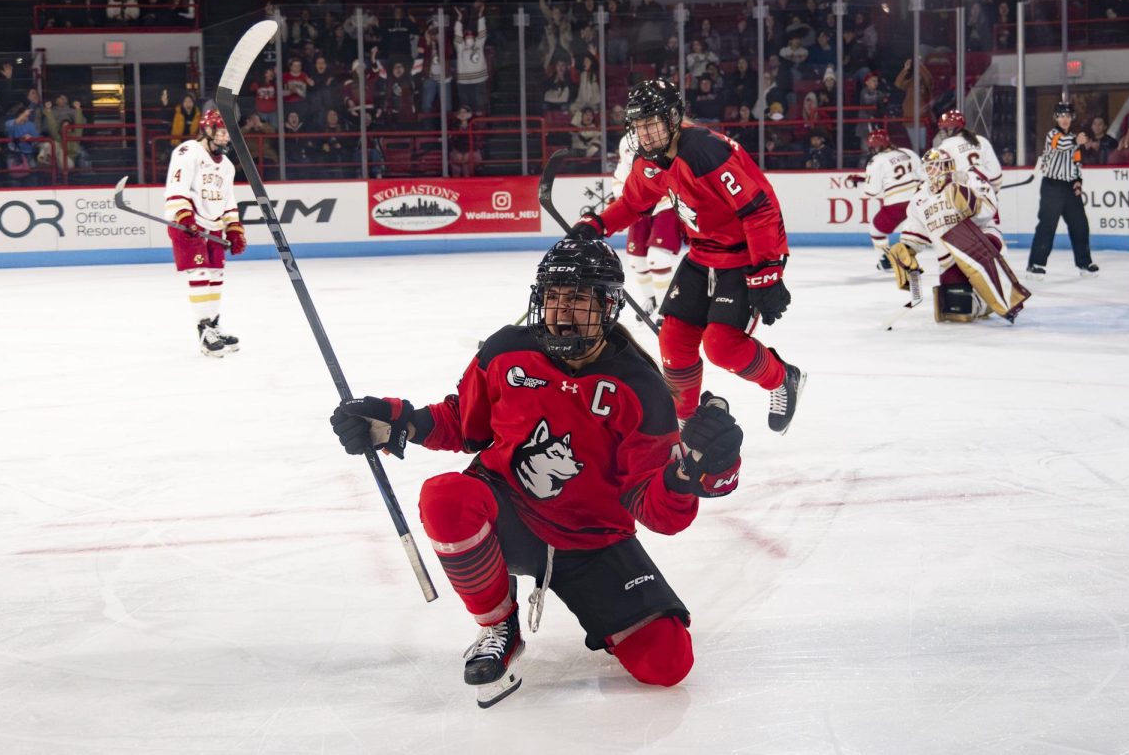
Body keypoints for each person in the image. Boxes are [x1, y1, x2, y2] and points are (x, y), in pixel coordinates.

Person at [329, 239, 746, 709]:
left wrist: (691, 475)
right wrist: (396, 423)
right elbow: (463, 422)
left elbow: (659, 512)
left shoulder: (639, 388)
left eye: (577, 297)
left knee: (667, 664)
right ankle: (498, 626)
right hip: (509, 512)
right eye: (553, 295)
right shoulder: (507, 350)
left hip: (592, 541)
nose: (560, 309)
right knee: (447, 496)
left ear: (608, 305)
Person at [570, 79, 805, 434]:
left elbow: (759, 210)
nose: (645, 134)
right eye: (639, 126)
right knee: (674, 342)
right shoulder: (649, 161)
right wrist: (597, 224)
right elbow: (634, 203)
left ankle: (781, 378)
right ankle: (687, 425)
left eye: (653, 124)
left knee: (722, 346)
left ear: (674, 118)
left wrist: (768, 272)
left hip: (744, 257)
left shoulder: (705, 152)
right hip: (701, 254)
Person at [889, 149, 1030, 324]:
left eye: (936, 166)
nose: (932, 171)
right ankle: (984, 303)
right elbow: (917, 229)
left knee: (970, 244)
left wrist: (970, 202)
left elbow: (989, 209)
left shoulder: (968, 179)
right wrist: (907, 248)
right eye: (929, 168)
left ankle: (1001, 297)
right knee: (956, 312)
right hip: (948, 257)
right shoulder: (919, 197)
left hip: (982, 240)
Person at [163, 109, 246, 357]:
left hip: (213, 226)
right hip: (187, 223)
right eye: (220, 133)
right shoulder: (188, 152)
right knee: (199, 273)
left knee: (216, 274)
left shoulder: (228, 166)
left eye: (227, 134)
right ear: (207, 130)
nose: (224, 138)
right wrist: (184, 216)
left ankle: (213, 325)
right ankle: (203, 330)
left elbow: (229, 200)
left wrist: (233, 228)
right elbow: (176, 186)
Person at [611, 133, 682, 323]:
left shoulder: (667, 134)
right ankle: (651, 298)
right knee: (636, 260)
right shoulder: (625, 140)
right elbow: (622, 172)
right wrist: (622, 194)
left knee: (657, 259)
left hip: (667, 205)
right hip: (640, 207)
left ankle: (665, 306)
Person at [1027, 101, 1098, 276]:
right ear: (1056, 118)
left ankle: (1084, 263)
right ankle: (1035, 264)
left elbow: (1076, 161)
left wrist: (1078, 180)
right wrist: (1077, 140)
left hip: (1069, 188)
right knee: (1047, 226)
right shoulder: (1053, 135)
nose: (1064, 119)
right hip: (1052, 187)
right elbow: (1061, 145)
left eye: (1067, 116)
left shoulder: (1073, 137)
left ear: (1072, 117)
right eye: (1061, 116)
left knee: (1080, 225)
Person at [844, 128, 925, 271]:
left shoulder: (876, 161)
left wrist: (859, 184)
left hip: (897, 204)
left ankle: (887, 259)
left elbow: (872, 191)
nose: (872, 149)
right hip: (919, 199)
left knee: (876, 229)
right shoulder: (907, 152)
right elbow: (923, 176)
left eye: (873, 146)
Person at [935, 109, 1003, 191]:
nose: (942, 132)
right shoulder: (981, 140)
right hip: (987, 192)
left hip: (962, 196)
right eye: (941, 129)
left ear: (954, 128)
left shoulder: (945, 146)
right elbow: (996, 177)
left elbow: (938, 177)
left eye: (945, 128)